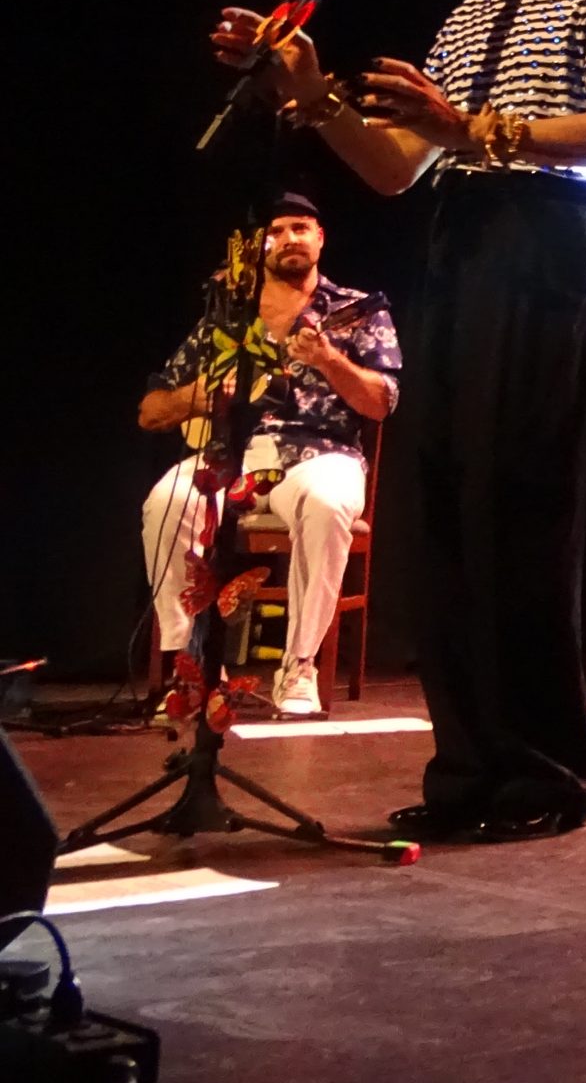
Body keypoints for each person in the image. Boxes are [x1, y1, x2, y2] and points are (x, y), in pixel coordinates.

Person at [212, 0, 586, 841]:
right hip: (464, 242)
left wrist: (468, 129)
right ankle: (470, 767)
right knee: (456, 503)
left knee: (528, 501)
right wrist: (313, 94)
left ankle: (545, 772)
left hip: (556, 238)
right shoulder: (467, 18)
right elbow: (391, 165)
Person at [136, 194, 400, 718]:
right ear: (258, 248)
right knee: (163, 503)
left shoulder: (356, 310)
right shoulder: (227, 317)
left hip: (318, 453)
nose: (288, 239)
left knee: (327, 503)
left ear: (319, 238)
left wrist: (329, 361)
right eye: (274, 231)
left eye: (300, 227)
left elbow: (382, 402)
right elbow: (150, 410)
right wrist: (207, 396)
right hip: (229, 454)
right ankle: (189, 666)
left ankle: (298, 667)